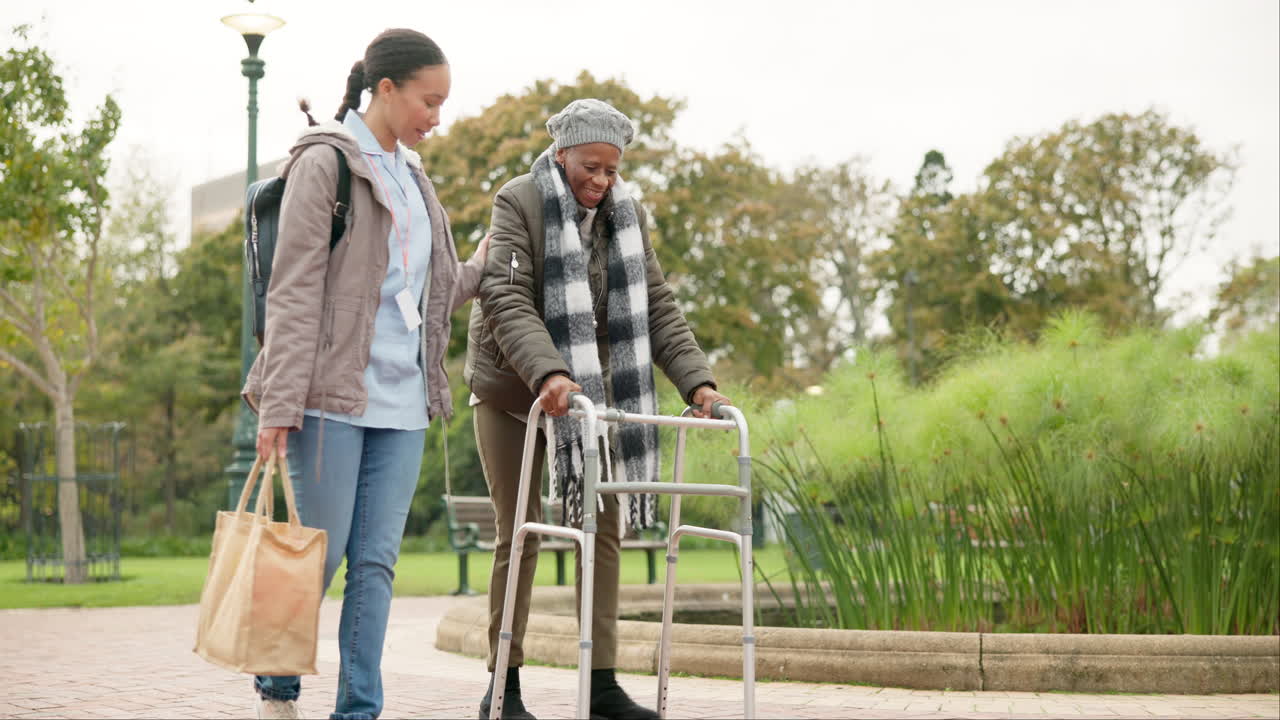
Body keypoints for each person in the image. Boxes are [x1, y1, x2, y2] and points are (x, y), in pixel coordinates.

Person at [241, 28, 486, 720]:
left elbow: (435, 288)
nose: (436, 116)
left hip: (403, 404)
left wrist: (487, 262)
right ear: (386, 89)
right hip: (331, 400)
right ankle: (277, 690)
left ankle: (359, 709)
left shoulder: (415, 179)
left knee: (375, 565)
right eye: (428, 101)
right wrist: (278, 406)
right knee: (314, 557)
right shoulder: (326, 165)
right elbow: (293, 290)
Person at [463, 98, 732, 720]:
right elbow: (503, 294)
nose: (601, 180)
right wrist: (550, 374)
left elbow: (656, 307)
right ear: (561, 155)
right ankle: (502, 687)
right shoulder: (519, 201)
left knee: (604, 528)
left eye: (611, 170)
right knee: (520, 532)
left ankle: (602, 685)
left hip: (591, 399)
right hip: (512, 393)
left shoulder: (625, 216)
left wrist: (699, 385)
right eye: (590, 166)